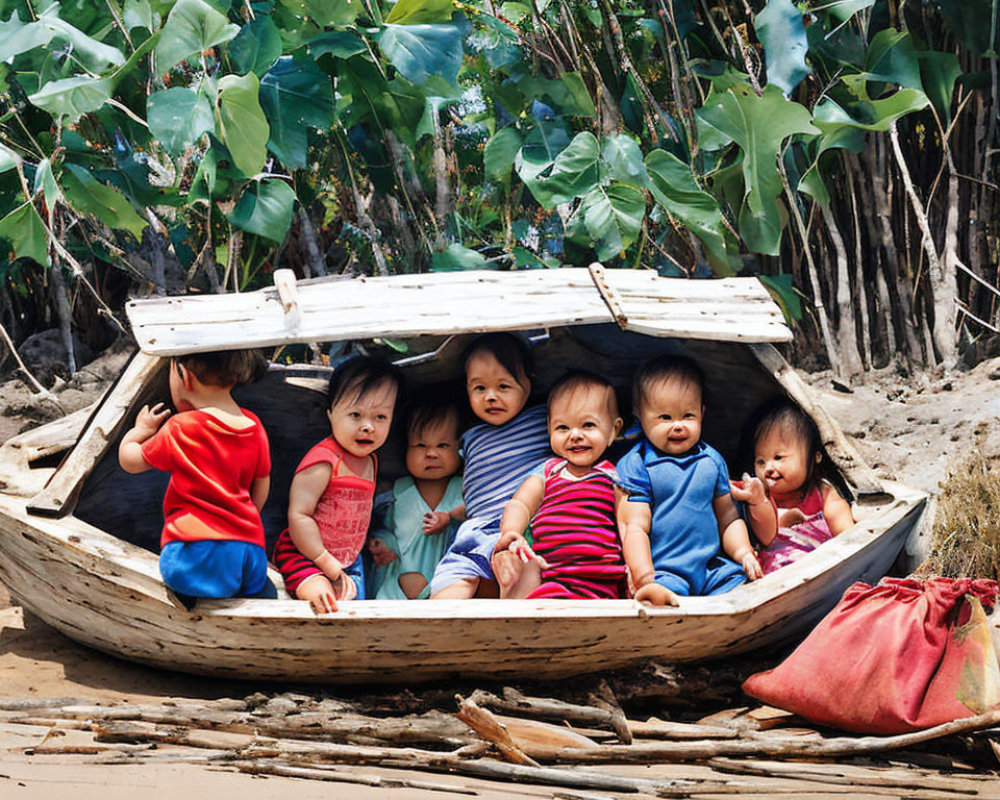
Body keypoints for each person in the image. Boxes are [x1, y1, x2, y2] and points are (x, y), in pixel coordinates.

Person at [118, 349, 273, 605]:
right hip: (249, 550)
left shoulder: (182, 426)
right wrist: (242, 520)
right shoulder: (255, 426)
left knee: (176, 571)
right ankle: (250, 586)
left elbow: (130, 461)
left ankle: (193, 592)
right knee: (252, 581)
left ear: (185, 378)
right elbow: (261, 488)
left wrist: (140, 430)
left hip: (194, 555)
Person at [617, 355, 762, 606]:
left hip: (711, 568)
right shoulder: (638, 463)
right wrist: (643, 575)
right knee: (661, 598)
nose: (677, 426)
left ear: (702, 414)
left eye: (688, 416)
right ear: (639, 414)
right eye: (664, 417)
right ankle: (654, 594)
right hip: (665, 571)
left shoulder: (711, 460)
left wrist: (743, 552)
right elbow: (635, 527)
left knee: (742, 586)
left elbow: (728, 518)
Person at [272, 356, 401, 613]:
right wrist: (324, 561)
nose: (368, 427)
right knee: (323, 598)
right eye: (355, 414)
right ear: (331, 414)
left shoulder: (371, 461)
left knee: (358, 607)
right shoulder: (324, 461)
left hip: (348, 560)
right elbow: (299, 514)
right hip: (304, 555)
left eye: (380, 417)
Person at [429, 333, 551, 598]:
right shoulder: (469, 437)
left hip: (521, 531)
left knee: (522, 578)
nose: (491, 397)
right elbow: (478, 493)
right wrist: (449, 516)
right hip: (475, 530)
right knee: (454, 580)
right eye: (479, 388)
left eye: (503, 387)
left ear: (526, 388)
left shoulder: (542, 420)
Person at [492, 371, 627, 599]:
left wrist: (634, 568)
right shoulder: (549, 472)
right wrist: (512, 533)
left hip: (600, 576)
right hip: (550, 573)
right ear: (549, 429)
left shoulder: (614, 477)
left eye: (588, 425)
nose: (574, 435)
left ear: (614, 430)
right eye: (562, 428)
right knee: (525, 566)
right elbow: (521, 504)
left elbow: (627, 523)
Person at [732, 397, 855, 574]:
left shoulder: (822, 494)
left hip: (823, 566)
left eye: (778, 458)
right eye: (761, 461)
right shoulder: (758, 493)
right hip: (777, 570)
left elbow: (845, 532)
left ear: (816, 457)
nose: (768, 468)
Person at [367, 395, 465, 599]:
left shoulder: (464, 490)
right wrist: (381, 544)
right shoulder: (396, 492)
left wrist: (451, 519)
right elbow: (384, 529)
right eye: (421, 446)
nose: (431, 453)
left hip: (448, 592)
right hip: (394, 591)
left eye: (443, 446)